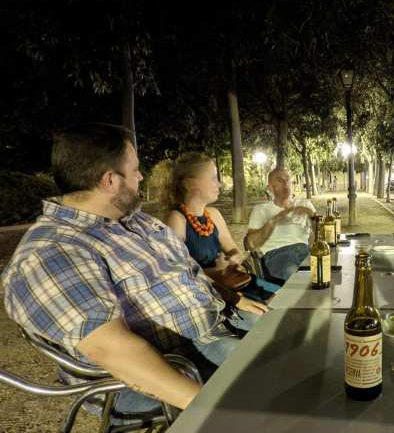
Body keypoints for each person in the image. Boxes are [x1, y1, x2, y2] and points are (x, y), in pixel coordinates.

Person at [2, 124, 267, 415]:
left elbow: (188, 271)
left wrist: (236, 299)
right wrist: (214, 410)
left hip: (212, 327)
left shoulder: (134, 222)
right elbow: (112, 349)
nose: (142, 177)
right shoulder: (52, 252)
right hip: (168, 366)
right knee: (278, 380)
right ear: (110, 181)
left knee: (298, 333)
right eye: (136, 170)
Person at [162, 152, 280, 302]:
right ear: (191, 184)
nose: (219, 184)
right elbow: (179, 273)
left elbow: (234, 250)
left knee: (284, 296)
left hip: (235, 283)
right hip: (211, 295)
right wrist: (217, 270)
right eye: (213, 178)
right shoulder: (176, 219)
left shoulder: (213, 214)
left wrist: (233, 259)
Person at [245, 167, 315, 284]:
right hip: (276, 255)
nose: (285, 183)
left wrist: (312, 216)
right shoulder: (261, 210)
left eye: (287, 180)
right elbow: (251, 244)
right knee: (294, 272)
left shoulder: (305, 204)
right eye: (280, 180)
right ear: (270, 188)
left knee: (324, 269)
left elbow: (321, 233)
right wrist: (275, 220)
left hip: (304, 252)